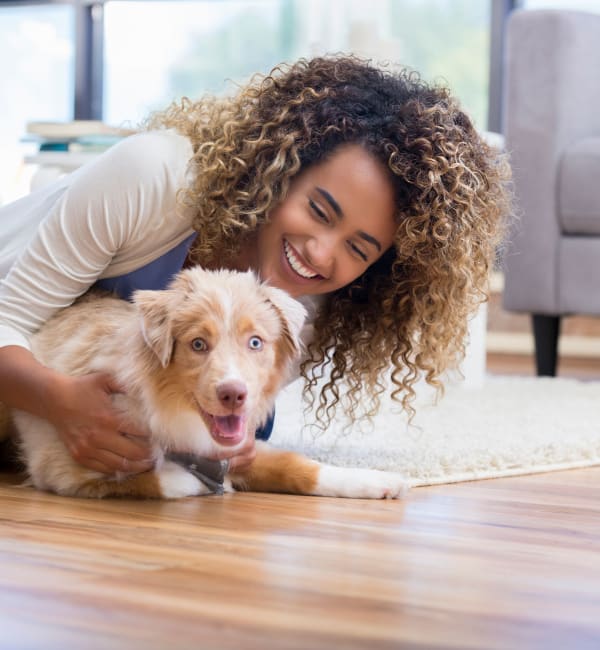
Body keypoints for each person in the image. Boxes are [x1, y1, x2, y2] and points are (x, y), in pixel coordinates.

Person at [0, 55, 511, 476]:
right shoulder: (155, 177)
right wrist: (61, 402)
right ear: (280, 169)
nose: (320, 254)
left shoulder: (303, 312)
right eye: (318, 211)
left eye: (359, 249)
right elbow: (8, 316)